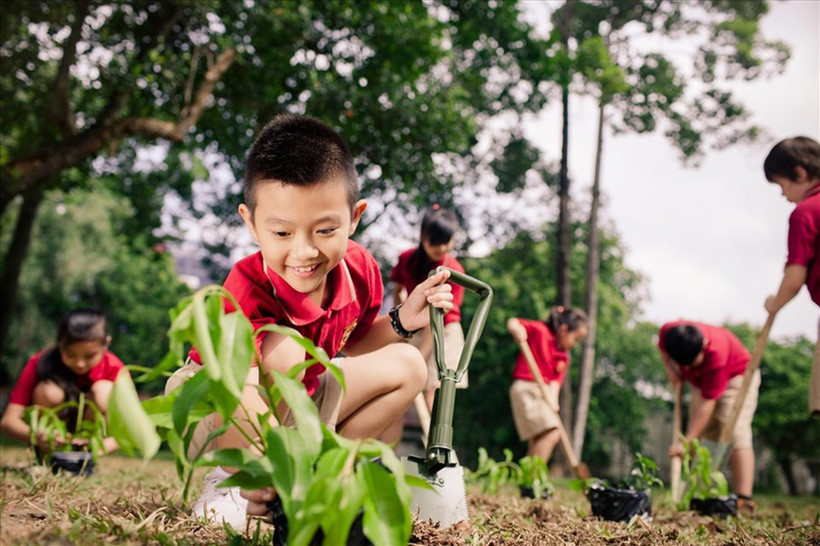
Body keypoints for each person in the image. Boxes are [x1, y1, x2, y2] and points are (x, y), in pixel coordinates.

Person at [167, 114, 454, 530]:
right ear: (251, 223)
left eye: (325, 230)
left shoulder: (359, 270)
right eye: (282, 233)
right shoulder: (245, 289)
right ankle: (231, 483)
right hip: (217, 405)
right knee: (286, 351)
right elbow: (240, 393)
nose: (304, 252)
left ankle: (323, 475)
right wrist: (262, 469)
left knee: (409, 364)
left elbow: (352, 344)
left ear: (354, 218)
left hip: (302, 398)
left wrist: (404, 320)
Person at [659, 320, 758, 513]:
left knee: (734, 430)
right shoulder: (670, 332)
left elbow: (707, 405)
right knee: (704, 437)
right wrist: (671, 371)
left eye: (693, 362)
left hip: (737, 377)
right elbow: (663, 349)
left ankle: (744, 500)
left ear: (704, 345)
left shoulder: (716, 355)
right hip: (701, 381)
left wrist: (685, 443)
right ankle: (697, 494)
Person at [0, 309, 124, 455]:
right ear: (59, 344)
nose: (80, 364)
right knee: (49, 392)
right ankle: (48, 454)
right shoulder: (41, 363)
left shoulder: (115, 368)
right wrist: (38, 437)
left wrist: (105, 445)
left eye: (89, 356)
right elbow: (8, 422)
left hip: (90, 440)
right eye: (70, 355)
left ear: (106, 344)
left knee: (104, 390)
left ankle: (84, 451)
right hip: (51, 440)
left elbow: (132, 426)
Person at [762, 136, 820, 416]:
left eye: (782, 185)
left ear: (800, 173)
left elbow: (795, 277)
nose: (783, 195)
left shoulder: (806, 212)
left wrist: (775, 303)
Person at [389, 205, 467, 414]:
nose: (441, 248)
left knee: (435, 387)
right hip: (416, 328)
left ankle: (438, 434)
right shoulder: (407, 259)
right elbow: (397, 291)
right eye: (435, 242)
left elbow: (439, 319)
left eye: (446, 241)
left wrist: (420, 355)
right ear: (423, 236)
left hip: (444, 331)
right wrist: (400, 327)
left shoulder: (453, 270)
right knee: (402, 385)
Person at [507, 306, 588, 464]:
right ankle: (534, 476)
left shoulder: (564, 356)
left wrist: (553, 401)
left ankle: (528, 476)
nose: (575, 344)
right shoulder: (540, 331)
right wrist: (516, 330)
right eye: (576, 339)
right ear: (564, 329)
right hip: (526, 388)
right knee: (551, 433)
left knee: (539, 438)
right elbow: (513, 321)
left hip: (543, 393)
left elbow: (555, 383)